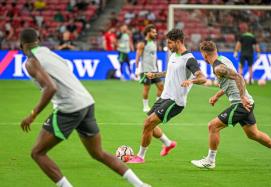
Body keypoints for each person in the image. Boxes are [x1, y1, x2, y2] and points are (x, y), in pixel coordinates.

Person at [19, 28, 151, 187]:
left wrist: (33, 114)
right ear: (38, 40)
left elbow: (50, 87)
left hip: (69, 108)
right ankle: (141, 185)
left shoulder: (31, 61)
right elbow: (66, 68)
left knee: (37, 153)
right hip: (86, 102)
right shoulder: (48, 52)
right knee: (98, 153)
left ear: (21, 45)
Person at [191, 41, 271, 169]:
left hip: (241, 104)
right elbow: (229, 83)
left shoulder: (218, 68)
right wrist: (217, 95)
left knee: (213, 126)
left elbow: (238, 77)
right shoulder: (223, 59)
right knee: (253, 134)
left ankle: (210, 161)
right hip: (247, 102)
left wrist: (242, 97)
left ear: (204, 55)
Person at [127, 29, 207, 164]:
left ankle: (140, 157)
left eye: (170, 43)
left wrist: (191, 81)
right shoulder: (174, 55)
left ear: (178, 42)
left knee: (148, 124)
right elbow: (169, 72)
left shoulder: (189, 59)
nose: (168, 46)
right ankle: (168, 143)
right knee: (149, 125)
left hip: (175, 101)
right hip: (165, 97)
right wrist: (155, 74)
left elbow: (202, 78)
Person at [135, 24, 164, 112]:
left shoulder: (154, 43)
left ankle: (157, 105)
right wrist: (137, 70)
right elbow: (137, 58)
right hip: (146, 70)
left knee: (161, 87)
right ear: (148, 33)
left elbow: (155, 57)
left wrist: (157, 68)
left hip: (155, 70)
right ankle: (145, 106)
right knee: (146, 88)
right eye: (153, 32)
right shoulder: (142, 43)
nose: (155, 34)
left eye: (155, 32)